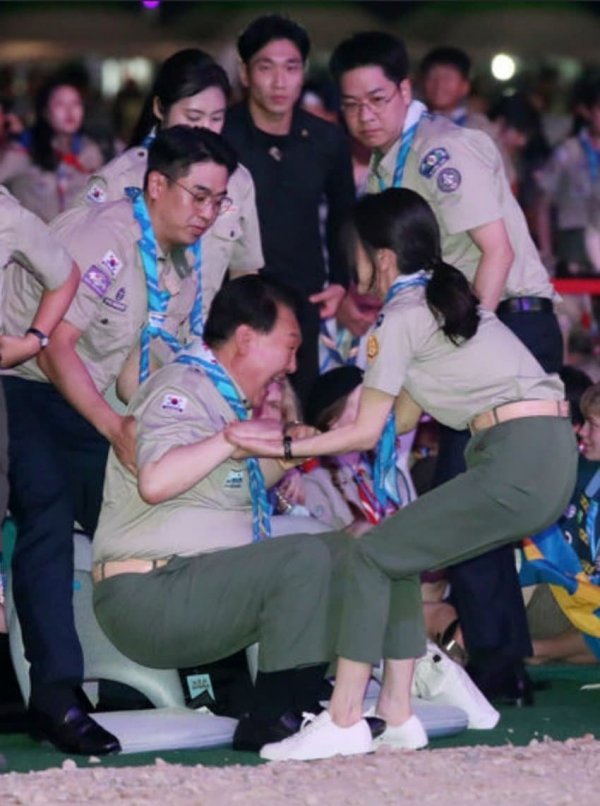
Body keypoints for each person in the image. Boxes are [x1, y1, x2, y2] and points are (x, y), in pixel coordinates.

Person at [227, 188, 576, 760]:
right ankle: (396, 711)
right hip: (543, 454)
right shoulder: (438, 303)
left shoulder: (403, 314)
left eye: (354, 251)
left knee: (369, 554)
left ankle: (344, 718)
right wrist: (316, 429)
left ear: (381, 257)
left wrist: (286, 444)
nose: (351, 263)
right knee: (397, 552)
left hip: (517, 454)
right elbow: (398, 417)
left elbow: (366, 433)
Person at [329, 31, 564, 701]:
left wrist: (462, 346)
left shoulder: (440, 149)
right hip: (471, 333)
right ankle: (501, 659)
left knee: (468, 496)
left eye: (378, 99)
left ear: (406, 90)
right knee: (469, 497)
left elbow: (494, 252)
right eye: (352, 104)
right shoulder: (386, 165)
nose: (366, 115)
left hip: (501, 325)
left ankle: (497, 664)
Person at [1, 125, 237, 756]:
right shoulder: (102, 237)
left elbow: (135, 368)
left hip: (83, 399)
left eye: (219, 201)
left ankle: (201, 668)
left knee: (147, 503)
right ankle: (57, 694)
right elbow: (55, 349)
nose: (208, 213)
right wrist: (114, 427)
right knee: (48, 507)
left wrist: (165, 436)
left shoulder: (181, 266)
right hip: (18, 384)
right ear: (156, 184)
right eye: (198, 195)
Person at [92, 275, 347, 753]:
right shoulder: (181, 389)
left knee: (348, 551)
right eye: (289, 347)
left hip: (192, 587)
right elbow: (156, 482)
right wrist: (230, 439)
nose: (293, 365)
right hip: (149, 594)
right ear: (246, 339)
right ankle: (274, 718)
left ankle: (326, 705)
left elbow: (228, 485)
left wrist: (293, 450)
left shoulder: (220, 397)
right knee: (304, 556)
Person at [223, 14, 356, 403]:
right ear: (245, 73)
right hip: (232, 294)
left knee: (301, 404)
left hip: (303, 296)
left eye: (291, 68)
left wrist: (340, 280)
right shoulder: (221, 134)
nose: (280, 82)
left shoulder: (326, 139)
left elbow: (343, 213)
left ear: (304, 72)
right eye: (266, 67)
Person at [79, 49, 263, 321]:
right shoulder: (120, 179)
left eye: (216, 118)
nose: (205, 129)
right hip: (128, 338)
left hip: (201, 338)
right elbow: (76, 271)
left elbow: (244, 270)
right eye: (193, 117)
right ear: (159, 108)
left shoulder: (237, 181)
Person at [0, 74, 103, 222]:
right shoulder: (23, 151)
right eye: (60, 104)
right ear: (45, 112)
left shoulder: (91, 151)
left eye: (76, 103)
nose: (70, 111)